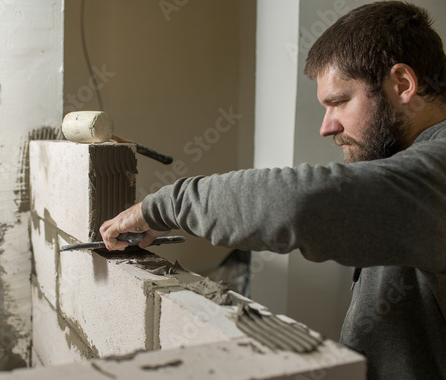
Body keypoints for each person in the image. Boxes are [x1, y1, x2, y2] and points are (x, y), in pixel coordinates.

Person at [100, 2, 446, 379]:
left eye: (339, 102)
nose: (327, 127)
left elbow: (298, 202)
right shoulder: (405, 169)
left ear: (402, 85)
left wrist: (162, 207)